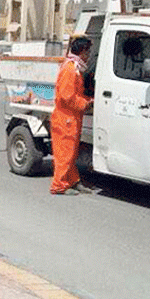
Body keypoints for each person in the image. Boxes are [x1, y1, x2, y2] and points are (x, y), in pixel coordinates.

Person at [50, 36, 94, 196]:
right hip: (66, 118)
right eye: (87, 52)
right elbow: (67, 96)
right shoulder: (70, 69)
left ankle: (72, 181)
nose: (89, 55)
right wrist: (85, 103)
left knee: (71, 153)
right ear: (81, 52)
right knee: (65, 154)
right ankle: (58, 185)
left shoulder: (73, 67)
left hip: (70, 118)